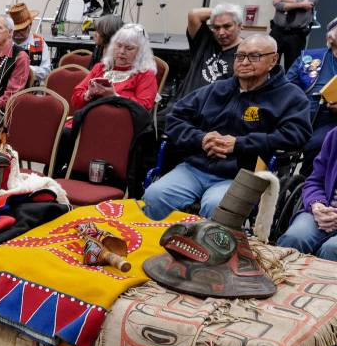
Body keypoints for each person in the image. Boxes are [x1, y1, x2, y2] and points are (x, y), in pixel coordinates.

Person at [142, 35, 311, 220]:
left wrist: (239, 144)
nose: (244, 62)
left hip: (241, 175)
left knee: (217, 206)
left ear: (273, 60)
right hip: (194, 167)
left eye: (254, 56)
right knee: (155, 195)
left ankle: (201, 248)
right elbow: (174, 117)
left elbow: (297, 134)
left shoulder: (290, 97)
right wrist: (201, 138)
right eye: (240, 56)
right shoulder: (216, 89)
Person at [285, 18, 337, 173]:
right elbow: (286, 87)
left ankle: (308, 184)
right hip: (300, 116)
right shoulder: (309, 58)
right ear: (331, 37)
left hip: (331, 121)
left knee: (320, 143)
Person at [276, 128, 337, 260]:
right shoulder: (334, 135)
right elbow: (314, 181)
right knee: (294, 238)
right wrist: (317, 204)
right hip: (325, 210)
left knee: (331, 249)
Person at [71, 23, 158, 112]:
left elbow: (144, 108)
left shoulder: (145, 74)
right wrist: (88, 94)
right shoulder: (101, 67)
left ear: (140, 52)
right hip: (89, 120)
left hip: (121, 123)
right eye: (119, 45)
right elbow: (75, 99)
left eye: (129, 48)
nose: (122, 51)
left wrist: (114, 96)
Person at [176, 3, 243, 101]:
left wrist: (231, 13)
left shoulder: (245, 52)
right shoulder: (206, 41)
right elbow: (194, 14)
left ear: (239, 26)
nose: (221, 32)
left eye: (227, 26)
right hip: (181, 105)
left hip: (211, 112)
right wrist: (222, 12)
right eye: (216, 27)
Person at [271, 0, 323, 70]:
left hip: (296, 35)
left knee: (293, 69)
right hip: (277, 32)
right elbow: (277, 4)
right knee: (269, 66)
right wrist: (301, 3)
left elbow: (309, 3)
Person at [8, 2, 50, 84]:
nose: (18, 33)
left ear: (30, 26)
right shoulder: (5, 42)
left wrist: (25, 68)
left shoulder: (39, 42)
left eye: (22, 29)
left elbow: (46, 71)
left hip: (33, 90)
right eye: (15, 30)